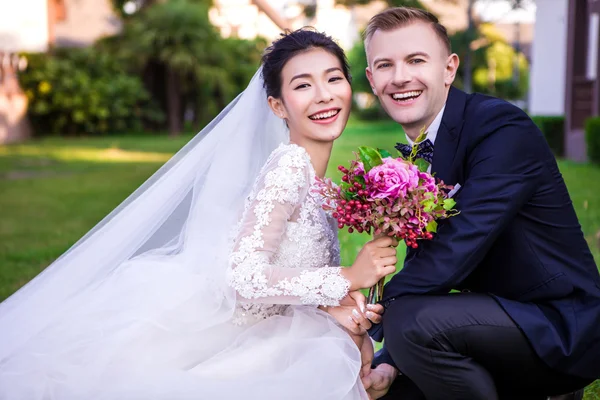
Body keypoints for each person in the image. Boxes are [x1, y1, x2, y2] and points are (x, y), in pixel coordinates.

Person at [0, 28, 393, 399]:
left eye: (333, 79)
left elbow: (291, 272)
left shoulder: (324, 185)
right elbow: (245, 276)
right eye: (303, 85)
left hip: (274, 324)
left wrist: (336, 306)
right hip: (233, 333)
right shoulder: (289, 166)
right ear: (277, 105)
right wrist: (348, 278)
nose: (323, 95)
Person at [353, 7, 600, 400]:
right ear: (371, 79)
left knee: (407, 321)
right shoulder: (419, 155)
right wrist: (387, 361)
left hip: (561, 325)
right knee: (386, 391)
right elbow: (426, 266)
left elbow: (458, 244)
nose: (400, 77)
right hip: (492, 321)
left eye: (416, 60)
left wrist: (370, 312)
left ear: (449, 69)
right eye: (385, 65)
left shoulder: (500, 128)